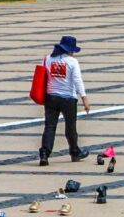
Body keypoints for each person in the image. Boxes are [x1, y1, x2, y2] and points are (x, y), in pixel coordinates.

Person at [39, 35, 91, 166]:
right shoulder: (72, 62)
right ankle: (74, 152)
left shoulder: (48, 59)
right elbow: (77, 80)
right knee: (70, 127)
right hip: (68, 99)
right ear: (70, 49)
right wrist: (84, 98)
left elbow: (42, 75)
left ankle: (44, 154)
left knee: (50, 127)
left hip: (51, 97)